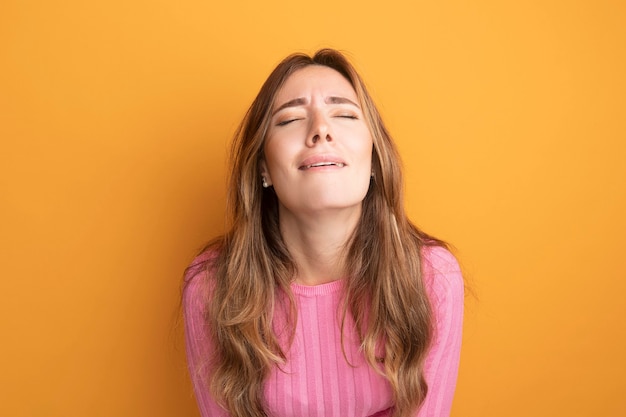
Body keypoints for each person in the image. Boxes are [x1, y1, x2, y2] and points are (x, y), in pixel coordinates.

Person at [183, 49, 464, 417]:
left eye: (345, 114)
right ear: (263, 168)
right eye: (291, 119)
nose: (321, 129)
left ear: (376, 160)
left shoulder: (432, 278)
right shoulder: (211, 288)